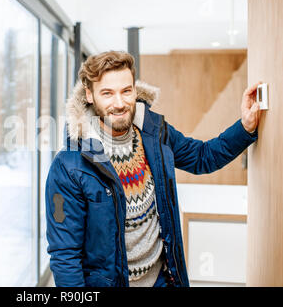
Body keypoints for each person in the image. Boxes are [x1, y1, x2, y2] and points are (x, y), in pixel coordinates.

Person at [45, 51, 261, 287]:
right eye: (107, 93)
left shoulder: (156, 133)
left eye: (126, 91)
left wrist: (245, 128)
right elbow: (65, 255)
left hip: (162, 280)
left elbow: (202, 157)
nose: (119, 103)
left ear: (135, 90)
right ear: (89, 95)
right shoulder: (70, 164)